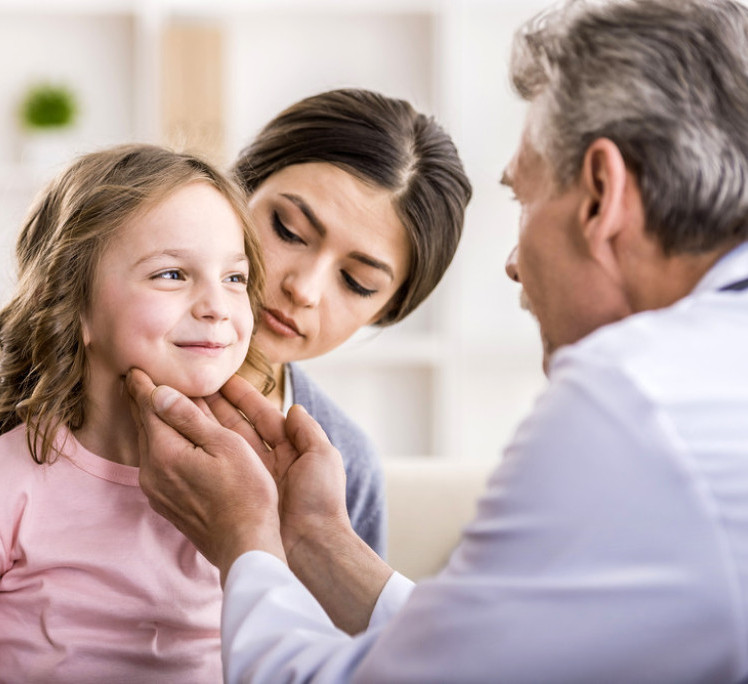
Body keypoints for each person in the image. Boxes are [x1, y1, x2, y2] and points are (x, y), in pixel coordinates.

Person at [123, 0, 748, 681]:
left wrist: (247, 538)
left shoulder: (629, 398)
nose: (512, 262)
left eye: (524, 199)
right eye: (290, 230)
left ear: (601, 196)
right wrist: (314, 539)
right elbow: (495, 655)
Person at [0, 88, 471, 682]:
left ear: (386, 311)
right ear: (237, 192)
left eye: (358, 282)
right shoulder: (2, 366)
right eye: (288, 230)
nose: (304, 287)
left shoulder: (335, 464)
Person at [0, 143, 271, 681]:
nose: (217, 306)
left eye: (234, 278)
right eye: (171, 274)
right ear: (75, 305)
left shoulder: (252, 483)